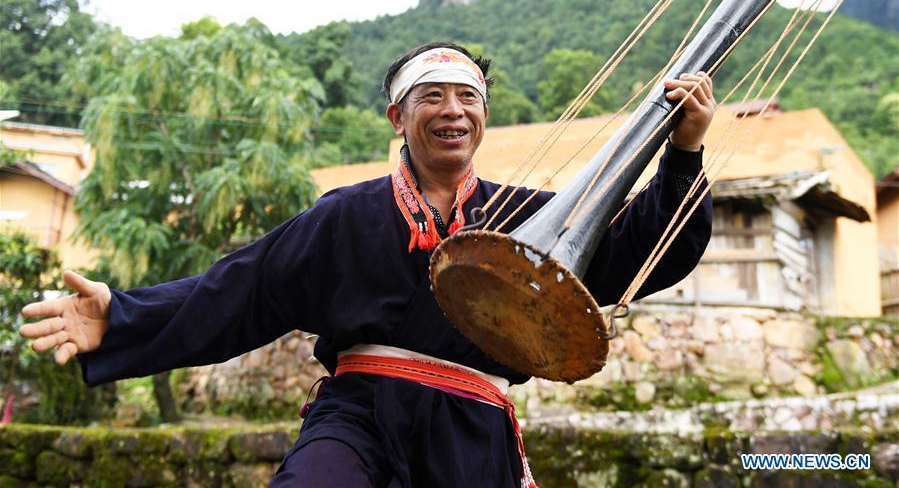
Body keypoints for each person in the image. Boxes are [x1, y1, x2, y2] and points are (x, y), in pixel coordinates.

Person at [20, 42, 717, 487]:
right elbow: (241, 289)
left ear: (483, 117)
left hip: (472, 429)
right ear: (396, 116)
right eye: (431, 97)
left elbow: (637, 251)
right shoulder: (344, 215)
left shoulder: (530, 221)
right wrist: (122, 314)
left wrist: (682, 152)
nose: (452, 111)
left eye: (467, 97)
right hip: (358, 417)